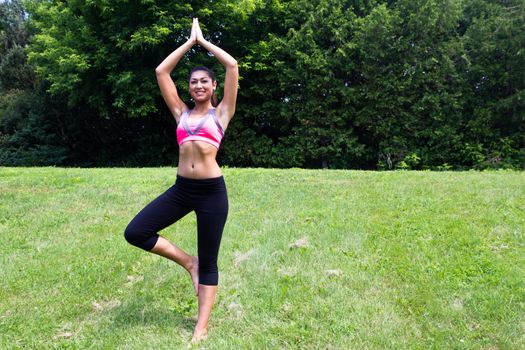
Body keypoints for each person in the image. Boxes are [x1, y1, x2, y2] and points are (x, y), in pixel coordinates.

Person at [124, 18, 238, 342]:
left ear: (214, 87)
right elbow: (161, 72)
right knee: (136, 231)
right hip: (181, 190)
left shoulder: (222, 113)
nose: (199, 86)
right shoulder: (181, 114)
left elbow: (231, 65)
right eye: (194, 82)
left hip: (211, 193)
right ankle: (189, 262)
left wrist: (204, 43)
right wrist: (188, 43)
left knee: (211, 260)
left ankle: (200, 327)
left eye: (205, 82)